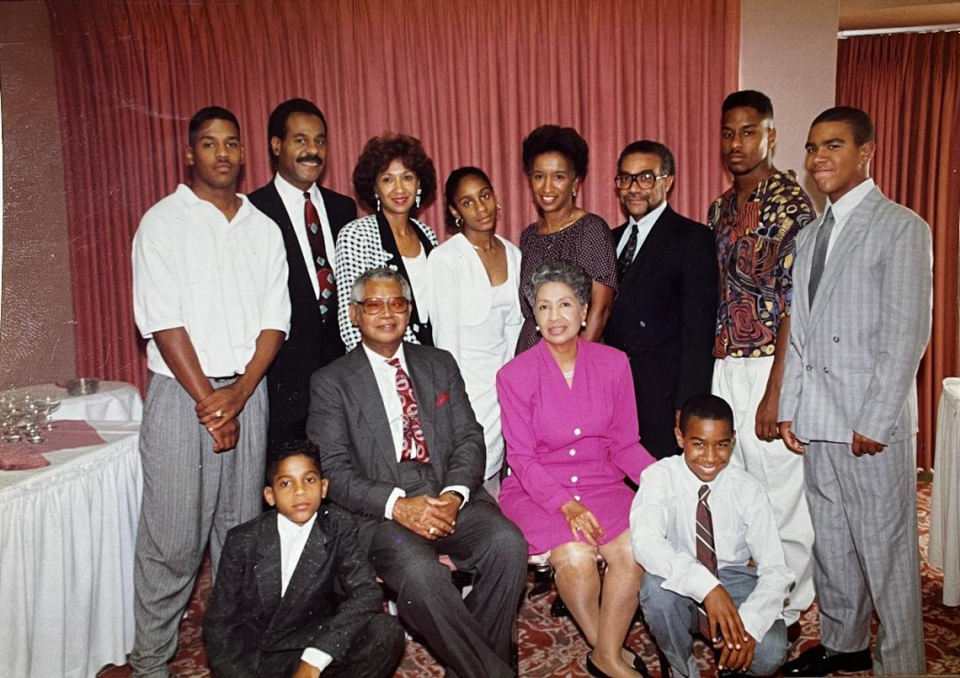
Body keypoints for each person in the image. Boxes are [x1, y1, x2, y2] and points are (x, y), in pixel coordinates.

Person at [130, 106, 290, 677]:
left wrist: (240, 395)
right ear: (190, 154)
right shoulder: (161, 223)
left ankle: (231, 658)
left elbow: (276, 320)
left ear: (244, 153)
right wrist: (211, 403)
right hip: (181, 397)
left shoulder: (263, 228)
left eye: (230, 143)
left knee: (237, 539)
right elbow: (164, 322)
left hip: (247, 393)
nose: (221, 153)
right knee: (172, 542)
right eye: (208, 143)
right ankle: (151, 663)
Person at [307, 267, 528, 678]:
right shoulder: (331, 382)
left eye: (397, 303)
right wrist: (398, 506)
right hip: (381, 514)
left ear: (409, 311)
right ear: (355, 314)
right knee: (419, 574)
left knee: (507, 544)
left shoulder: (438, 363)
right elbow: (332, 471)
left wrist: (454, 494)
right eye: (374, 304)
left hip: (449, 495)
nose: (387, 313)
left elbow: (469, 437)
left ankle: (473, 667)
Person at [778, 107, 932, 677]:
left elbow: (905, 333)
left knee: (886, 553)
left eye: (833, 145)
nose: (819, 157)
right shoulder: (814, 233)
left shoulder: (901, 227)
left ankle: (902, 664)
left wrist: (877, 418)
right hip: (818, 421)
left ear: (866, 151)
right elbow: (800, 331)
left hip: (869, 427)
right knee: (833, 544)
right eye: (813, 147)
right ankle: (845, 644)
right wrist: (791, 406)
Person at [497, 261, 655, 678]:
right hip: (539, 491)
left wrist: (662, 482)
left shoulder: (614, 363)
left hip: (601, 482)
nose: (555, 317)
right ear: (534, 315)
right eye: (544, 307)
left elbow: (624, 443)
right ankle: (607, 650)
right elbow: (522, 459)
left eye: (565, 304)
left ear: (585, 311)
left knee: (631, 550)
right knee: (576, 555)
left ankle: (605, 654)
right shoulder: (514, 375)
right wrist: (565, 505)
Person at [708, 90, 815, 632]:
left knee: (781, 492)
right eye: (728, 133)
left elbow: (798, 303)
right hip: (725, 362)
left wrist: (777, 393)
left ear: (771, 135)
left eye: (749, 132)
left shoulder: (794, 205)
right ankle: (749, 588)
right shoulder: (720, 208)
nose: (736, 143)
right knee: (737, 486)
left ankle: (792, 606)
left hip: (773, 362)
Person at [203, 440, 404, 678]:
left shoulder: (337, 526)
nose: (299, 491)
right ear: (270, 495)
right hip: (259, 658)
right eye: (286, 483)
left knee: (386, 631)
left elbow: (367, 592)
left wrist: (315, 658)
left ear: (324, 487)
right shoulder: (243, 539)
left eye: (309, 480)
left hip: (312, 648)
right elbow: (220, 622)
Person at [631, 394, 793, 678]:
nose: (709, 457)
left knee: (769, 653)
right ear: (680, 437)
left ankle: (732, 657)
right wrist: (707, 587)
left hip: (734, 580)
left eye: (721, 445)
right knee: (655, 589)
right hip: (680, 580)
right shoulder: (658, 477)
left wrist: (751, 626)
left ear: (732, 440)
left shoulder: (748, 488)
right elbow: (646, 543)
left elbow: (776, 569)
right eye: (698, 444)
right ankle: (683, 669)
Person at [249, 99, 358, 449]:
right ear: (276, 145)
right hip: (282, 382)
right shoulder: (252, 211)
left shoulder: (344, 208)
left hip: (340, 378)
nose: (313, 150)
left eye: (320, 140)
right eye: (301, 140)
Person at [604, 140, 718, 459]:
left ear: (668, 181)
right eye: (625, 178)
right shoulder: (608, 240)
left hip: (664, 398)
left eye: (645, 177)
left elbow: (699, 330)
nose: (633, 188)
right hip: (615, 394)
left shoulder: (693, 239)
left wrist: (689, 402)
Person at [428, 167, 524, 495]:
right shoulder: (445, 259)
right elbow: (445, 340)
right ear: (455, 212)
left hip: (504, 383)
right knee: (467, 469)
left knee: (499, 475)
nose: (481, 208)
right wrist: (454, 398)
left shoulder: (514, 254)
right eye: (468, 202)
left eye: (485, 196)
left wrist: (514, 387)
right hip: (466, 384)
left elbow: (516, 328)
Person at [514, 124, 617, 354]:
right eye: (539, 176)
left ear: (575, 182)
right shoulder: (528, 236)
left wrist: (575, 366)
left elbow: (600, 309)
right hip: (531, 353)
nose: (547, 187)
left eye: (558, 176)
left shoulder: (592, 230)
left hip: (576, 358)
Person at [336, 134, 439, 351]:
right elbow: (350, 322)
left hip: (431, 360)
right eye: (387, 179)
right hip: (380, 362)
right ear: (374, 188)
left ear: (419, 183)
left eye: (407, 177)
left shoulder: (427, 235)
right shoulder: (356, 235)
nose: (399, 189)